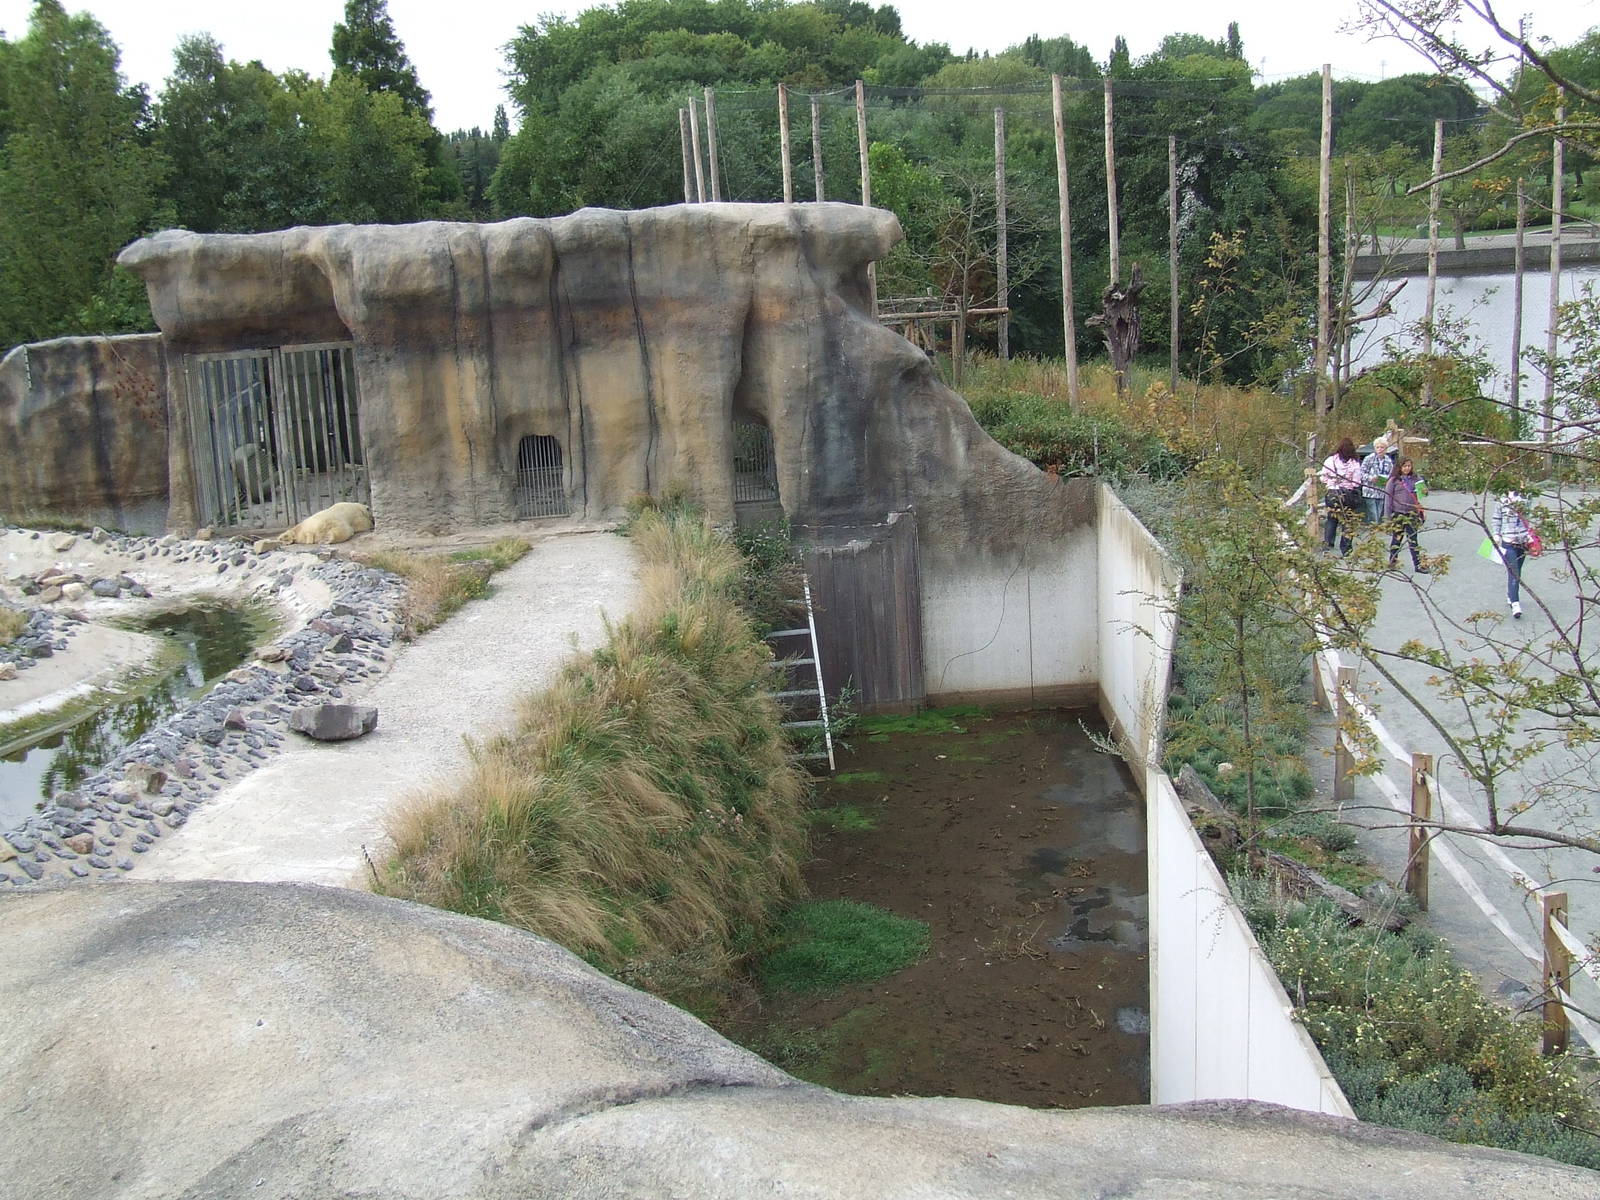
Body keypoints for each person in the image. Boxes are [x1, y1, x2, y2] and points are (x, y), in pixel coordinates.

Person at [1318, 437, 1363, 556]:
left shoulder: (1330, 460)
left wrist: (1331, 481)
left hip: (1332, 493)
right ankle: (1346, 548)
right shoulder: (1354, 463)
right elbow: (1356, 482)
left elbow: (1322, 478)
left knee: (1331, 519)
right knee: (1347, 521)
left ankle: (1328, 544)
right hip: (1347, 495)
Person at [1383, 457, 1428, 572]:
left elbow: (1422, 494)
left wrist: (1424, 492)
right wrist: (1387, 517)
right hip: (1398, 514)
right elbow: (1388, 500)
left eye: (1409, 466)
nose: (1407, 468)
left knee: (1413, 540)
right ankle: (1392, 562)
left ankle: (1417, 565)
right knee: (1396, 539)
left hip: (1412, 513)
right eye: (1404, 466)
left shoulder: (1416, 478)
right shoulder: (1393, 481)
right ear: (1399, 467)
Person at [1493, 491, 1532, 619]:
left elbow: (1528, 516)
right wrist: (1496, 534)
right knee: (1514, 572)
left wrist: (1529, 534)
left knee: (1517, 572)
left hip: (1523, 540)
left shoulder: (1526, 496)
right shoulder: (1502, 499)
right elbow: (1497, 518)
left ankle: (1511, 595)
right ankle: (1515, 604)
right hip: (1508, 541)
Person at [1360, 436, 1393, 525]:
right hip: (1370, 491)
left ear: (1386, 449)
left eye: (1382, 447)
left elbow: (1391, 475)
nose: (1380, 449)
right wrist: (1370, 478)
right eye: (1377, 447)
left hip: (1382, 491)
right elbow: (1361, 473)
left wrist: (1387, 480)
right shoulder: (1369, 458)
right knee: (1373, 514)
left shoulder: (1388, 461)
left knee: (1379, 514)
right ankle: (1374, 529)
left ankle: (1376, 529)